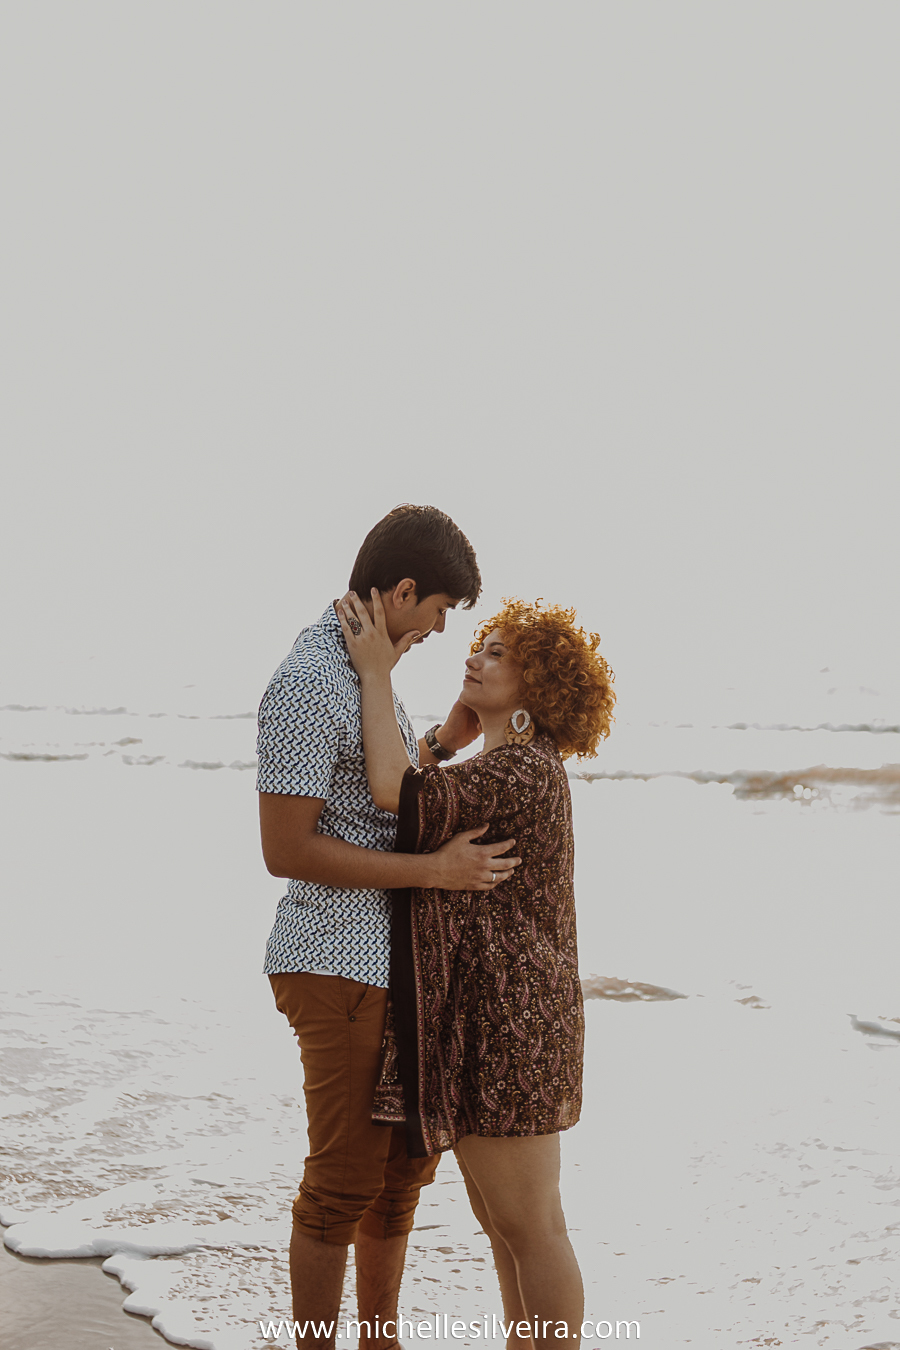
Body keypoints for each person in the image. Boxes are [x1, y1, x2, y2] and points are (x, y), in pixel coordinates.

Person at [257, 505, 522, 1350]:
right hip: (336, 961)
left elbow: (387, 796)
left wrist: (440, 745)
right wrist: (434, 872)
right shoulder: (308, 682)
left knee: (402, 1174)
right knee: (342, 1182)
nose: (446, 629)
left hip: (394, 964)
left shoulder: (368, 669)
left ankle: (381, 1342)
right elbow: (286, 848)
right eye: (442, 609)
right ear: (404, 591)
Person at [336, 589, 616, 1350]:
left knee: (529, 1227)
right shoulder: (503, 763)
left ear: (541, 687)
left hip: (514, 1030)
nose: (473, 656)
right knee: (505, 1227)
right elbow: (418, 798)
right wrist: (449, 734)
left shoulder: (523, 770)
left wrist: (372, 673)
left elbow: (395, 792)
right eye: (479, 646)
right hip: (495, 1026)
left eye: (498, 654)